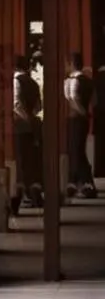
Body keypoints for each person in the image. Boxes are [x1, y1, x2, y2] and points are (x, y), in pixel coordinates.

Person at [12, 54, 43, 212]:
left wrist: (25, 119)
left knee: (20, 162)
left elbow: (16, 104)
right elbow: (39, 107)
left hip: (19, 127)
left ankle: (24, 194)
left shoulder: (15, 82)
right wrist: (32, 117)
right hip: (33, 128)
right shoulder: (33, 83)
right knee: (31, 160)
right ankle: (33, 191)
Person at [64, 51, 95, 198]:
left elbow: (72, 99)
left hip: (76, 118)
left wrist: (81, 111)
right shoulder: (88, 81)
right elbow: (94, 100)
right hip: (84, 120)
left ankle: (77, 182)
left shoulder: (70, 81)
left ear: (71, 64)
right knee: (79, 149)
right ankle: (85, 182)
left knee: (75, 149)